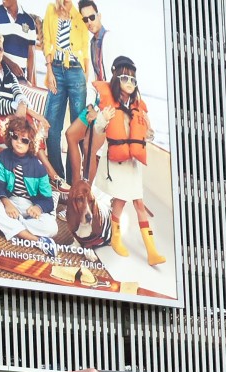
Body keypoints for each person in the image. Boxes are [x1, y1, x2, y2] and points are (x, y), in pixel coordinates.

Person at [65, 55, 167, 266]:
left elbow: (148, 133)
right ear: (116, 79)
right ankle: (116, 239)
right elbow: (100, 128)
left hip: (133, 165)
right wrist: (102, 116)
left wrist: (148, 132)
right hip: (117, 166)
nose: (129, 84)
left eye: (132, 80)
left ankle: (152, 251)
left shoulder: (138, 107)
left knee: (138, 203)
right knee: (119, 204)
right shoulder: (110, 104)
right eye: (124, 79)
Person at [0, 34, 58, 177]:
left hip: (12, 119)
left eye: (0, 49)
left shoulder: (9, 74)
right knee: (26, 124)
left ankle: (39, 174)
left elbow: (20, 96)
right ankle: (49, 173)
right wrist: (20, 108)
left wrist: (23, 107)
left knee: (28, 124)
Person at [0, 117, 59, 258]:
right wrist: (7, 203)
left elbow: (48, 201)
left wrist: (38, 208)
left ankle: (1, 225)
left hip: (29, 207)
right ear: (9, 135)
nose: (18, 141)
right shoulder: (4, 156)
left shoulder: (39, 168)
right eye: (15, 136)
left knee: (52, 228)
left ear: (31, 143)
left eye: (24, 140)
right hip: (9, 201)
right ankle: (36, 241)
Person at [41, 0, 89, 187]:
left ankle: (73, 179)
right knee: (52, 126)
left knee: (77, 130)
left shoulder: (79, 16)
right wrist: (49, 70)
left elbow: (84, 49)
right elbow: (46, 40)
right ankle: (57, 178)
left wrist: (86, 76)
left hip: (76, 71)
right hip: (57, 71)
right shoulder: (50, 10)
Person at [0, 0, 38, 82]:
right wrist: (11, 65)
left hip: (20, 79)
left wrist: (29, 81)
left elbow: (31, 53)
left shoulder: (29, 22)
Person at [79, 0, 119, 105]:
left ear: (99, 16)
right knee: (78, 121)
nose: (89, 22)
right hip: (100, 99)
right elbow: (92, 80)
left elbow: (115, 76)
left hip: (112, 100)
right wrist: (90, 106)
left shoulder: (109, 39)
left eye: (92, 17)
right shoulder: (92, 44)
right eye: (85, 19)